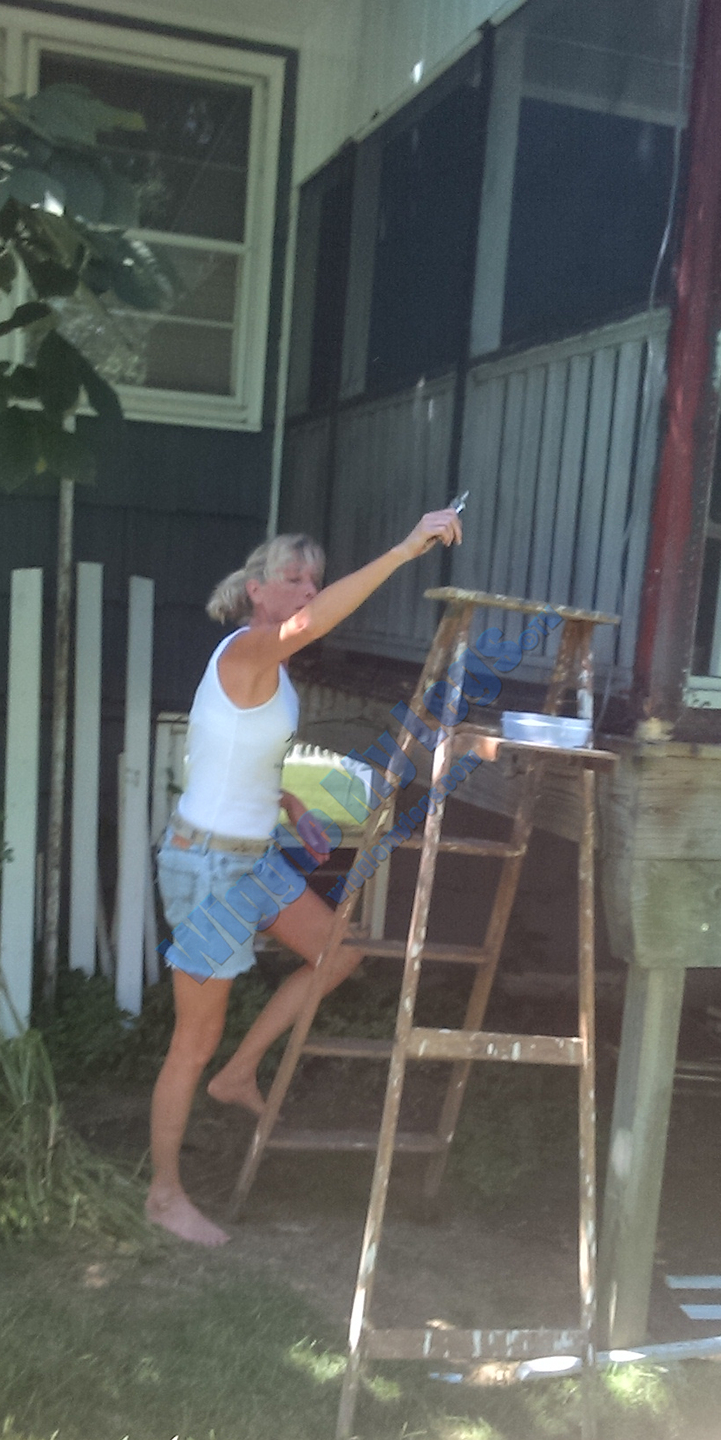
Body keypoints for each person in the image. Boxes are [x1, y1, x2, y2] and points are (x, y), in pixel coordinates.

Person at [147, 505, 464, 1247]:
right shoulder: (249, 650)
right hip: (208, 865)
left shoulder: (275, 676)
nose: (305, 589)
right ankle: (163, 1194)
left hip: (253, 852)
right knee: (192, 1042)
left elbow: (228, 753)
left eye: (312, 580)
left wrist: (288, 803)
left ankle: (240, 1075)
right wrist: (405, 548)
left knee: (339, 952)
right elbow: (307, 626)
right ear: (256, 591)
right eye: (293, 578)